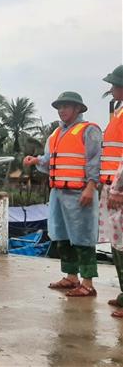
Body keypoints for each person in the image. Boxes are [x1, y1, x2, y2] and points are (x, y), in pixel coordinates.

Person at [23, 91, 102, 297]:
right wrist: (37, 161)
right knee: (61, 235)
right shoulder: (55, 134)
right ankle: (71, 276)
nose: (61, 110)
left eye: (66, 106)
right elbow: (50, 161)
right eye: (59, 106)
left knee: (83, 237)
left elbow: (95, 161)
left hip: (80, 191)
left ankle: (87, 282)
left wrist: (91, 186)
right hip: (58, 192)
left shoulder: (89, 130)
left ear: (77, 109)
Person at [98, 65, 123, 318]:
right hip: (112, 185)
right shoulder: (118, 111)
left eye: (115, 84)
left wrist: (118, 188)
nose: (112, 88)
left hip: (120, 188)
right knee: (117, 243)